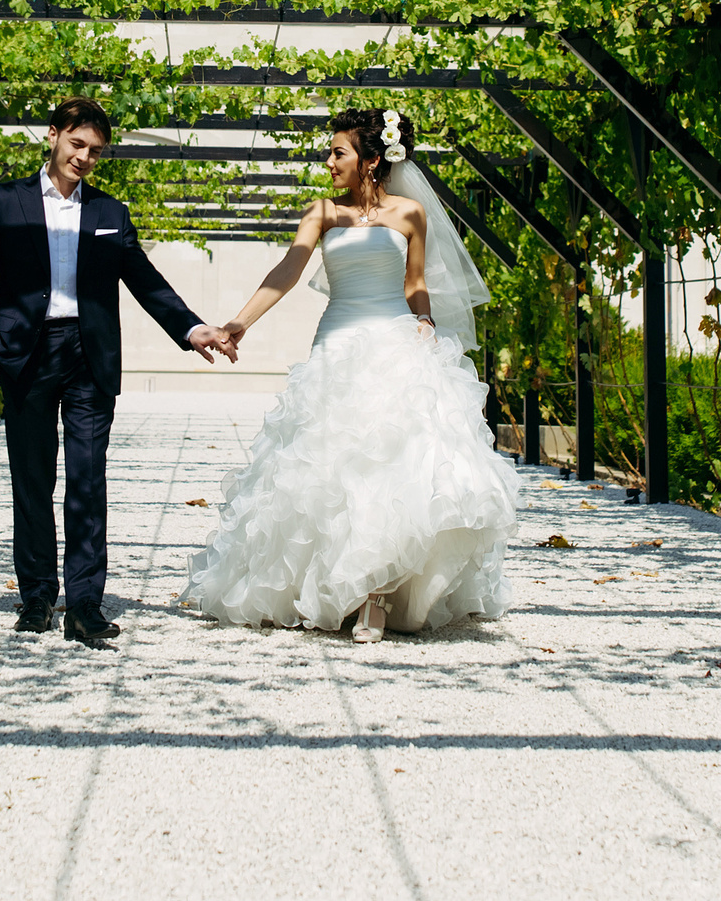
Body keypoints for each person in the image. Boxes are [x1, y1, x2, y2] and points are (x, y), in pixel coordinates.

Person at [184, 108, 518, 642]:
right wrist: (237, 324)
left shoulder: (410, 214)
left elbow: (414, 283)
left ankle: (375, 596)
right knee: (330, 466)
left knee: (389, 464)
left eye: (338, 151)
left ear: (371, 160)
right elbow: (288, 270)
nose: (329, 160)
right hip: (336, 344)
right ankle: (336, 584)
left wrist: (425, 321)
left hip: (393, 341)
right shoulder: (321, 212)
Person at [0, 97, 237, 647]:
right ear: (53, 136)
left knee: (88, 481)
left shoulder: (111, 214)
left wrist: (191, 328)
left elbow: (145, 279)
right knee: (32, 482)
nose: (85, 157)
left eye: (96, 151)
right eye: (77, 144)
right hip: (26, 358)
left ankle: (84, 604)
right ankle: (37, 594)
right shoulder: (1, 202)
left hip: (89, 359)